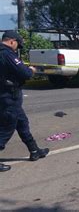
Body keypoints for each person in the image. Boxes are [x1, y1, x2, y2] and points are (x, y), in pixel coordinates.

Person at [0, 30, 49, 172]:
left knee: (22, 123)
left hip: (6, 96)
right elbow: (25, 73)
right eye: (17, 45)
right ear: (11, 41)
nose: (17, 48)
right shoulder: (7, 54)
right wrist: (32, 70)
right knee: (6, 129)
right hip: (9, 97)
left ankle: (34, 150)